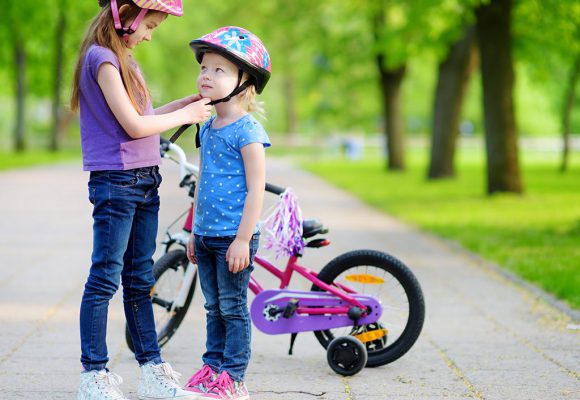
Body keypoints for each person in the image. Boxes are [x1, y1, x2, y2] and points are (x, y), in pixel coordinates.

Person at [70, 1, 212, 399]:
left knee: (139, 280)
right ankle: (93, 376)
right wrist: (186, 115)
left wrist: (183, 108)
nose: (150, 34)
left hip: (145, 181)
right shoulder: (102, 60)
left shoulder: (124, 60)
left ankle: (152, 370)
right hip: (117, 183)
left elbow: (144, 118)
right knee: (104, 279)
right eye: (149, 24)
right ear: (124, 15)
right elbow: (134, 127)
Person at [182, 26, 272, 400]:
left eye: (219, 70)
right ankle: (212, 368)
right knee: (212, 306)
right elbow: (203, 181)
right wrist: (193, 231)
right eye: (205, 67)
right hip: (205, 235)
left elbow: (256, 190)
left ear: (243, 80)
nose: (206, 75)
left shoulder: (248, 130)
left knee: (233, 308)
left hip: (234, 237)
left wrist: (241, 240)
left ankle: (233, 379)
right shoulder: (208, 127)